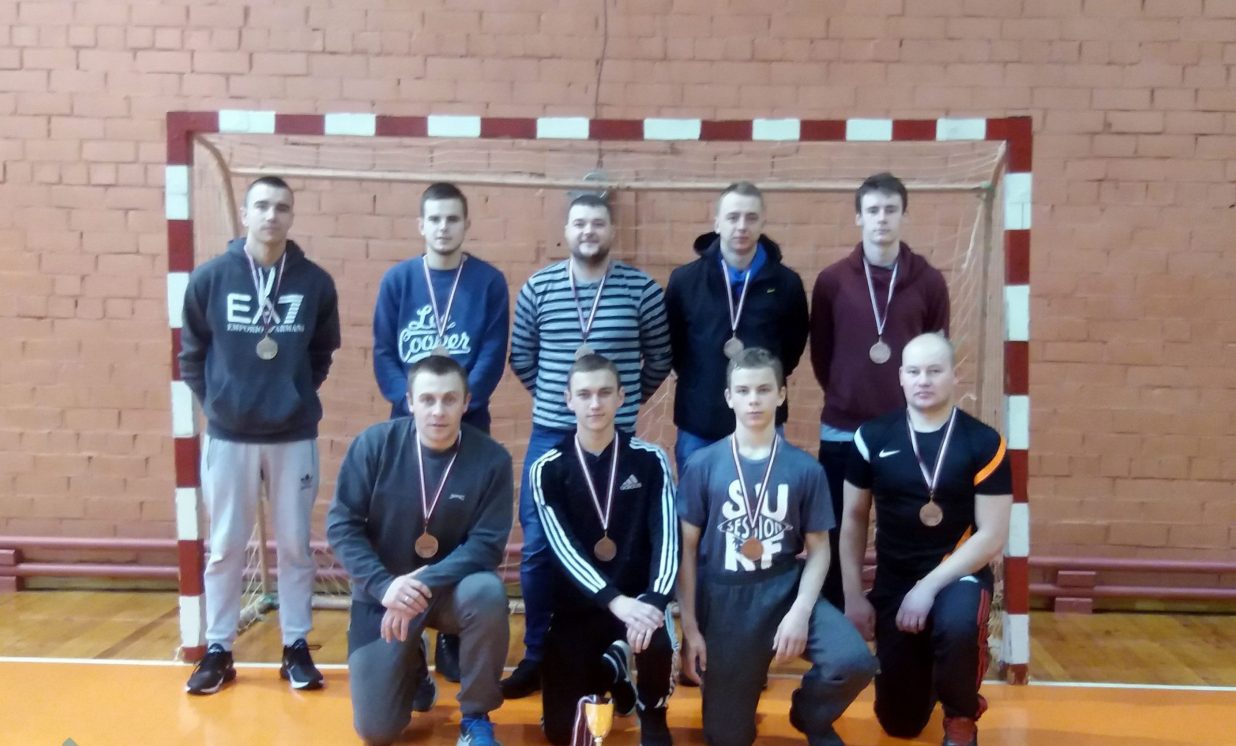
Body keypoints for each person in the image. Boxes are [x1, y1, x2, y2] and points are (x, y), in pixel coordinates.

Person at [506, 193, 673, 698]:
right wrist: (566, 405)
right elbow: (522, 357)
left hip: (617, 440)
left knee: (625, 542)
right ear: (566, 231)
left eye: (597, 223)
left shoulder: (641, 290)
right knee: (539, 549)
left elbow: (659, 358)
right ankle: (537, 653)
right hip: (551, 436)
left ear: (611, 230)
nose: (588, 231)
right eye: (579, 223)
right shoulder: (538, 287)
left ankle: (623, 641)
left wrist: (619, 404)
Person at [179, 176, 341, 695]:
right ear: (246, 214)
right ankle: (218, 649)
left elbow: (321, 354)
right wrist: (220, 405)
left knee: (295, 546)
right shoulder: (210, 279)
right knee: (226, 546)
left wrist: (291, 395)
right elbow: (191, 355)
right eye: (263, 206)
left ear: (292, 216)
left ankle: (296, 646)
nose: (272, 215)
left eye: (282, 207)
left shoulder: (315, 283)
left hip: (293, 434)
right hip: (229, 436)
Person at [677, 348, 876, 746]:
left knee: (852, 662)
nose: (754, 400)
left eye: (764, 389)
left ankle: (810, 716)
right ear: (729, 397)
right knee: (727, 738)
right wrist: (692, 629)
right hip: (725, 598)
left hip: (784, 588)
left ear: (781, 394)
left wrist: (800, 612)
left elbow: (820, 550)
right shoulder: (702, 465)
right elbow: (687, 553)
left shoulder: (805, 469)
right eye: (744, 391)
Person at [327, 355, 512, 746]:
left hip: (449, 590)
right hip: (384, 595)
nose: (438, 411)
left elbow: (487, 546)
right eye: (427, 399)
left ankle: (475, 717)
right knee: (377, 731)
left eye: (449, 399)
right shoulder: (374, 446)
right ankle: (413, 669)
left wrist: (421, 582)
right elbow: (342, 526)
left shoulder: (492, 460)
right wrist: (384, 586)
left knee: (488, 592)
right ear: (410, 401)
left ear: (467, 402)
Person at [840, 333, 1011, 746]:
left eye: (934, 371)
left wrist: (927, 587)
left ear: (954, 376)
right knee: (899, 723)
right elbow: (852, 519)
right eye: (914, 371)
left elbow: (992, 536)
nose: (924, 380)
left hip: (958, 575)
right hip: (895, 580)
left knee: (957, 624)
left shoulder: (984, 442)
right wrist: (853, 596)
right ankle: (938, 673)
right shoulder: (872, 437)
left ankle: (961, 715)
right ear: (900, 376)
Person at [372, 181, 509, 683]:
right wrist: (413, 409)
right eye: (435, 219)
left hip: (468, 425)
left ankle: (454, 631)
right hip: (409, 427)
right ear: (421, 225)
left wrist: (461, 403)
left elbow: (492, 352)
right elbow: (384, 351)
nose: (444, 227)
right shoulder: (398, 280)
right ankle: (408, 637)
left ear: (466, 224)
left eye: (453, 219)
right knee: (406, 529)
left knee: (461, 531)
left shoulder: (488, 281)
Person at [810, 172, 950, 608]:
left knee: (901, 525)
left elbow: (935, 352)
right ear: (858, 217)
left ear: (904, 215)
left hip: (904, 429)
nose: (882, 218)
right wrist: (846, 392)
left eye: (891, 209)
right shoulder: (832, 280)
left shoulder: (929, 281)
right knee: (836, 523)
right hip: (842, 427)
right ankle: (836, 614)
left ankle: (896, 610)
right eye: (873, 210)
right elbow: (822, 352)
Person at [531, 354, 679, 745]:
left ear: (621, 397)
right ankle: (613, 672)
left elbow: (667, 537)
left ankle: (652, 711)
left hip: (640, 604)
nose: (594, 403)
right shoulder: (548, 468)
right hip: (579, 607)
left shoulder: (650, 461)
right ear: (568, 400)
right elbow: (563, 548)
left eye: (604, 393)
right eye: (584, 394)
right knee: (561, 734)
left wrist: (654, 601)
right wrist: (614, 600)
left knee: (656, 636)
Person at [665, 181, 809, 472]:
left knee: (764, 498)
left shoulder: (786, 283)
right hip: (699, 421)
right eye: (733, 217)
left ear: (762, 223)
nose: (741, 226)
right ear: (717, 223)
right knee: (696, 500)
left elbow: (791, 348)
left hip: (763, 421)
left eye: (751, 218)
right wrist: (702, 378)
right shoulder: (685, 281)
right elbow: (673, 345)